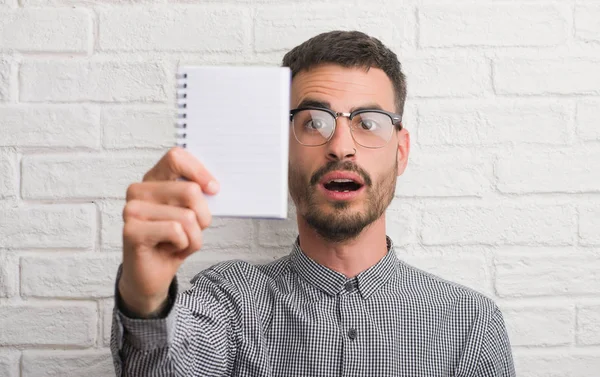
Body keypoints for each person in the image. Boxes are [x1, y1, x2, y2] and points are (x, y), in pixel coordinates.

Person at [111, 30, 516, 376]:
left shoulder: (470, 323)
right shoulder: (228, 302)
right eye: (314, 122)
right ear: (280, 146)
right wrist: (144, 298)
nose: (341, 147)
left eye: (368, 123)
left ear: (401, 152)